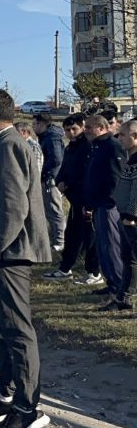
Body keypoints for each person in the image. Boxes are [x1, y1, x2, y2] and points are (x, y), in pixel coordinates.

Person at [0, 89, 52, 428]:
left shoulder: (9, 145)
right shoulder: (1, 144)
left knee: (17, 330)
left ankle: (26, 407)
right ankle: (4, 395)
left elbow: (15, 205)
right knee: (0, 326)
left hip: (9, 252)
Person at [48, 114, 102, 283]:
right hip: (74, 200)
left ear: (82, 127)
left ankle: (94, 272)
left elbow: (85, 171)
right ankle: (65, 268)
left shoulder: (87, 146)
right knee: (72, 235)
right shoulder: (70, 147)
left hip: (85, 198)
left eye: (74, 129)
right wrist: (59, 181)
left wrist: (69, 183)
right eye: (67, 130)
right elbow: (64, 167)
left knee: (90, 236)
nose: (71, 133)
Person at [82, 113, 128, 303]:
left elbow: (115, 176)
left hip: (109, 204)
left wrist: (110, 200)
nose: (86, 131)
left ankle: (119, 284)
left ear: (101, 128)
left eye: (89, 127)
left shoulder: (111, 146)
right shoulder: (98, 146)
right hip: (99, 203)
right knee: (103, 246)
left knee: (111, 246)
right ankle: (111, 281)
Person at [108, 119, 137, 312]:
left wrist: (132, 215)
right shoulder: (130, 157)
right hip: (124, 214)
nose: (120, 138)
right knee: (128, 259)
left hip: (131, 218)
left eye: (123, 135)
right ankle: (124, 297)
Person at [33, 114, 66, 254]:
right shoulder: (46, 137)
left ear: (42, 124)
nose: (33, 127)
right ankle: (55, 239)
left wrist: (44, 171)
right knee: (50, 209)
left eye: (34, 124)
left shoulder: (52, 138)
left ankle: (60, 241)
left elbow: (56, 159)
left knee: (54, 209)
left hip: (51, 178)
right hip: (49, 177)